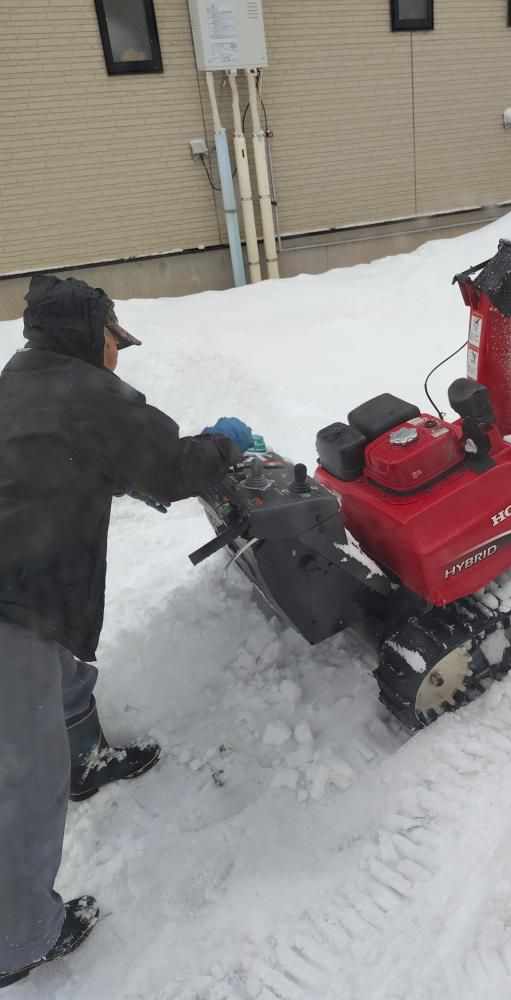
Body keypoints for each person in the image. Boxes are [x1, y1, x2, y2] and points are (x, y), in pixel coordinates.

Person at [0, 274, 253, 989]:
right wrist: (224, 443)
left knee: (66, 677)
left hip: (25, 582)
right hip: (9, 602)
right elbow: (177, 467)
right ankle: (19, 937)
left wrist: (114, 474)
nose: (121, 358)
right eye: (116, 343)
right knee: (24, 777)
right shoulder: (87, 391)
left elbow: (42, 459)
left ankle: (84, 760)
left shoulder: (18, 381)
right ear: (90, 336)